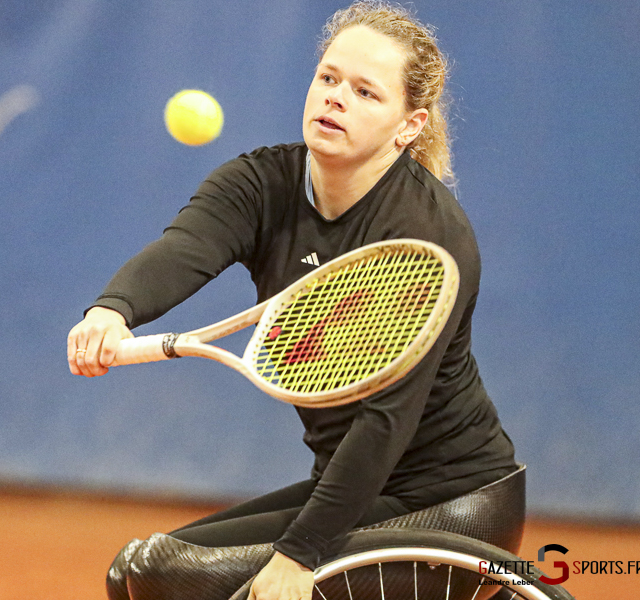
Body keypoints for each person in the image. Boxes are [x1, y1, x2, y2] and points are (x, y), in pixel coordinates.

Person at [67, 2, 517, 599]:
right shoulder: (259, 184)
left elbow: (387, 418)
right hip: (355, 491)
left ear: (409, 126)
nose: (335, 98)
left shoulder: (427, 237)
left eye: (365, 92)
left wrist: (301, 552)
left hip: (453, 507)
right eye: (328, 78)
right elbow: (184, 249)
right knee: (134, 574)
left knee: (166, 577)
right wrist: (112, 309)